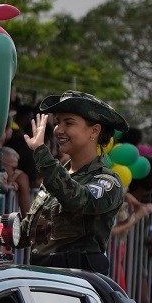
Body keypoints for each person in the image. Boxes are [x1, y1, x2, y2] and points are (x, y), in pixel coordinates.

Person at [21, 91, 126, 274]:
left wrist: (41, 152)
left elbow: (77, 199)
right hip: (41, 278)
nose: (58, 130)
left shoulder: (107, 182)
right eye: (57, 122)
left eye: (68, 123)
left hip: (76, 284)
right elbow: (26, 232)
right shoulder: (54, 178)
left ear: (94, 131)